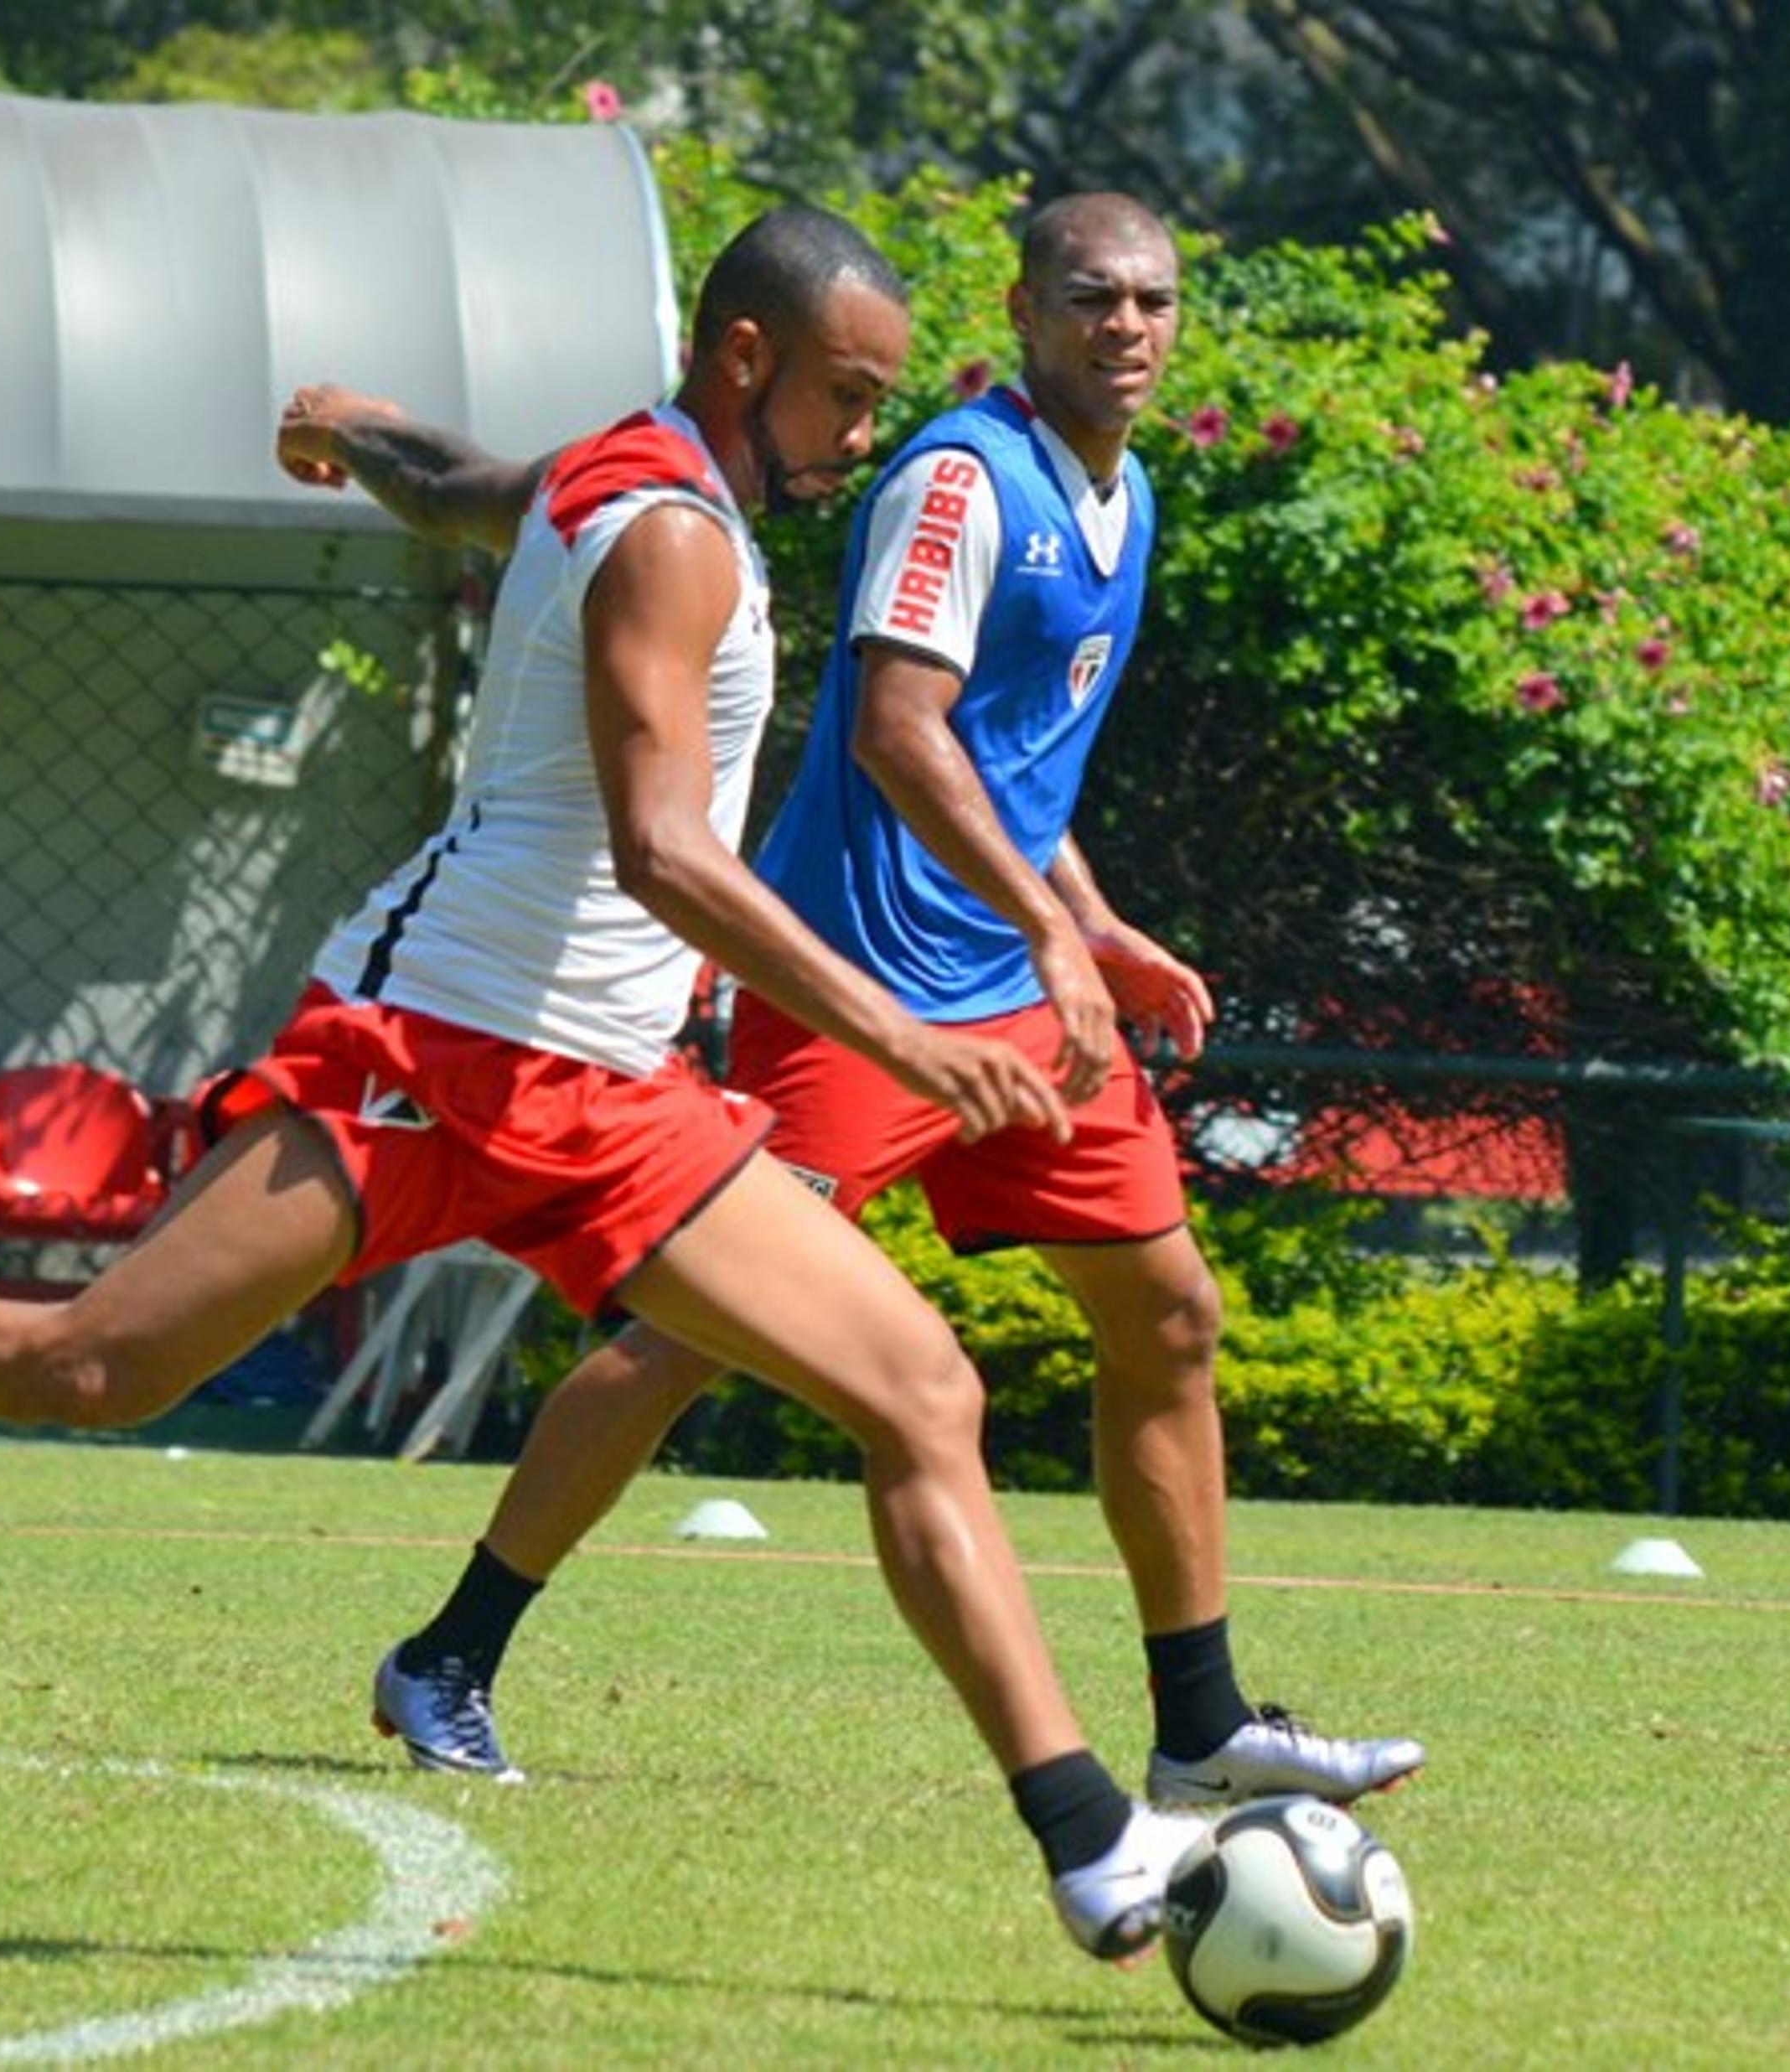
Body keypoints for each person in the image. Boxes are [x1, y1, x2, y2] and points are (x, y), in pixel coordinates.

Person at [0, 205, 1204, 1963]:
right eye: (845, 393)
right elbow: (667, 853)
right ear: (745, 358)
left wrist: (350, 430)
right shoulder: (672, 534)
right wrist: (897, 1037)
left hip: (614, 1097)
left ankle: (1086, 1839)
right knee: (94, 1365)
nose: (863, 436)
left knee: (919, 1394)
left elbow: (462, 489)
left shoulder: (621, 466)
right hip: (430, 1054)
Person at [357, 194, 1425, 1809]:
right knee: (683, 1340)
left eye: (1154, 301)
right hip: (865, 995)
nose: (1127, 325)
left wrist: (1096, 926)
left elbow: (1011, 770)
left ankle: (1202, 1725)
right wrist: (1052, 935)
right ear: (1023, 311)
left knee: (1171, 1318)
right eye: (1091, 298)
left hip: (1020, 1002)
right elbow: (900, 732)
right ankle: (449, 1653)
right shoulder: (953, 478)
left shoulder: (1122, 497)